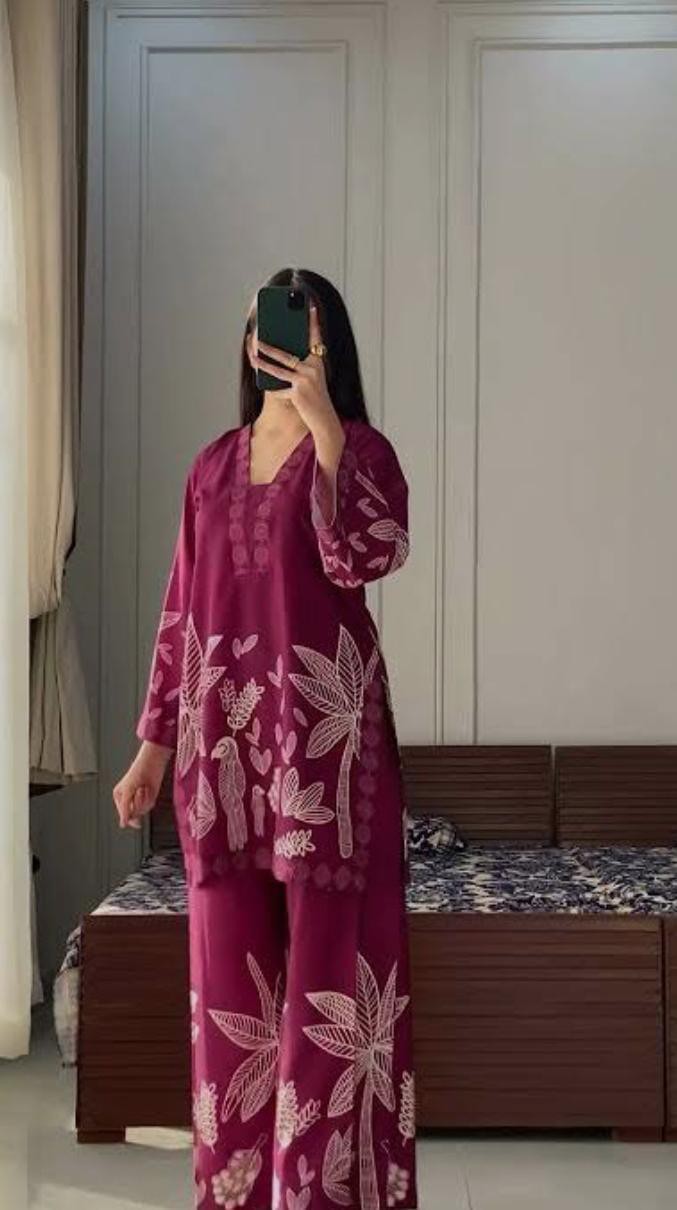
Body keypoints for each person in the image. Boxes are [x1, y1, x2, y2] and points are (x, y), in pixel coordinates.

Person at [113, 267, 418, 1210]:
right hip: (221, 761)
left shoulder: (362, 450)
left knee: (332, 997)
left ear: (328, 342)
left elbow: (370, 555)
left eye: (295, 323)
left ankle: (325, 1196)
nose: (272, 338)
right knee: (229, 1007)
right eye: (260, 324)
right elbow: (183, 608)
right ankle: (236, 1195)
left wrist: (326, 431)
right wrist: (153, 746)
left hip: (326, 757)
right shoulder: (210, 466)